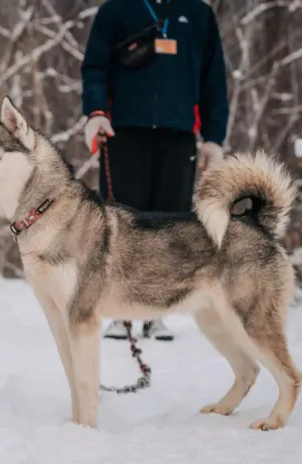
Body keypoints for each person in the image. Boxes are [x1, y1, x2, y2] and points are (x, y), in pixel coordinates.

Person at [81, 0, 229, 341]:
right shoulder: (115, 10)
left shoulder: (197, 13)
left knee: (171, 224)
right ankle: (122, 314)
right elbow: (95, 67)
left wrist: (213, 138)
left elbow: (213, 78)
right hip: (123, 130)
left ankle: (158, 313)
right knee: (120, 222)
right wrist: (97, 111)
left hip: (179, 132)